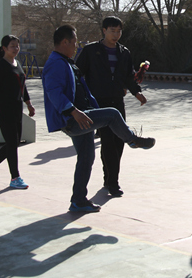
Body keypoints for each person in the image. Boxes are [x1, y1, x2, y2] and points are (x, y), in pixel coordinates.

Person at [42, 25, 155, 213]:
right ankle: (132, 140)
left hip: (83, 116)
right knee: (112, 114)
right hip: (74, 118)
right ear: (65, 42)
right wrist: (73, 111)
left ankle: (78, 200)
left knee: (86, 158)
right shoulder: (55, 63)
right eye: (74, 42)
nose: (76, 46)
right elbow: (54, 92)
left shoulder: (67, 62)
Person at [76, 16, 147, 197]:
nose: (116, 34)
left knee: (119, 141)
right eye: (112, 31)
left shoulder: (124, 52)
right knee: (108, 141)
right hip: (98, 102)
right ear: (104, 31)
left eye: (119, 31)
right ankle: (113, 183)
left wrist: (137, 93)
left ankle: (109, 178)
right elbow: (77, 74)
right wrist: (82, 97)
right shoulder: (91, 50)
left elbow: (129, 76)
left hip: (117, 101)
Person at [0, 35, 35, 189]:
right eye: (12, 46)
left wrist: (29, 104)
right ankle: (15, 178)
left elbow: (22, 87)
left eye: (17, 46)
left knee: (14, 142)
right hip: (4, 109)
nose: (16, 48)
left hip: (17, 108)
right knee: (12, 142)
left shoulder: (17, 64)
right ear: (4, 48)